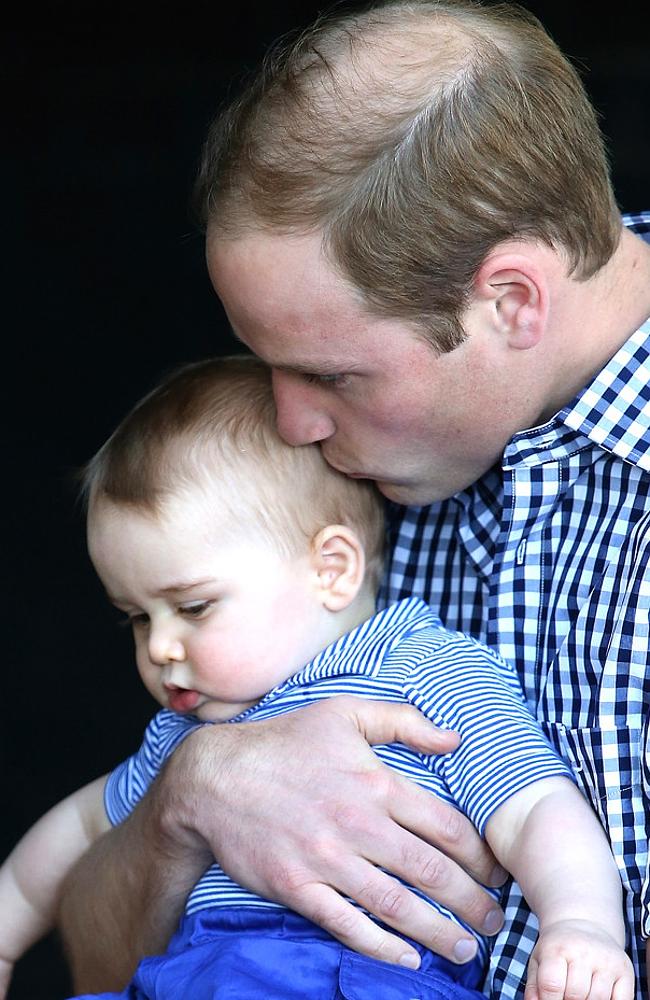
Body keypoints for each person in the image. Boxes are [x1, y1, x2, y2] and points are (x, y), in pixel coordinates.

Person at [56, 0, 650, 997]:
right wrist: (190, 796)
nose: (290, 427)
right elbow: (94, 961)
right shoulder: (311, 488)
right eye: (269, 368)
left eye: (331, 376)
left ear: (508, 301)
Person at [0, 356, 634, 1000]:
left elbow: (534, 807)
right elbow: (80, 829)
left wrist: (581, 924)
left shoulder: (418, 669)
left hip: (354, 971)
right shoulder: (192, 734)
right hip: (197, 971)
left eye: (193, 607)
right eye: (137, 618)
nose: (161, 647)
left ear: (331, 569)